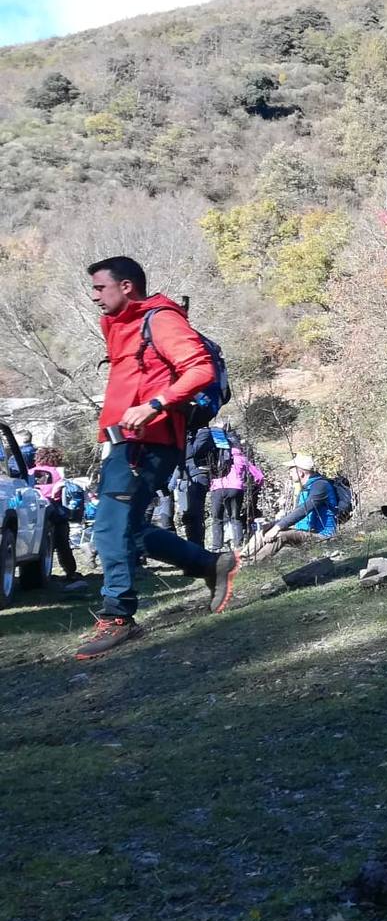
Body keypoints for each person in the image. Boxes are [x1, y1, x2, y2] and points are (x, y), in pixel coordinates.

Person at [75, 256, 238, 660]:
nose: (94, 296)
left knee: (111, 528)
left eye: (100, 287)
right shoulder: (120, 324)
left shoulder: (161, 319)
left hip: (147, 442)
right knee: (123, 528)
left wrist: (155, 404)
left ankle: (118, 616)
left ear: (126, 286)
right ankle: (208, 563)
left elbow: (198, 370)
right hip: (123, 442)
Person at [248, 455, 341, 561]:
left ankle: (253, 563)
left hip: (323, 535)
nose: (289, 474)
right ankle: (242, 559)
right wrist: (272, 525)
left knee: (281, 536)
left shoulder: (320, 486)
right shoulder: (306, 488)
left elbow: (304, 510)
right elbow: (295, 514)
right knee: (263, 531)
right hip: (305, 531)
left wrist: (277, 528)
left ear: (301, 473)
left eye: (291, 471)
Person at [209, 430, 264, 551]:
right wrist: (256, 488)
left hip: (217, 488)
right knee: (235, 518)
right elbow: (259, 476)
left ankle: (216, 546)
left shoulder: (216, 455)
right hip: (236, 489)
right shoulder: (241, 457)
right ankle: (238, 545)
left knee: (217, 518)